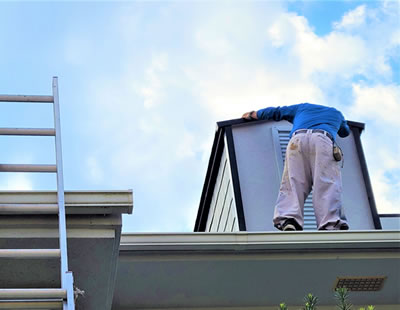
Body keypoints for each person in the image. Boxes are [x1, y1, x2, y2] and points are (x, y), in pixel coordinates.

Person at [242, 103, 350, 231]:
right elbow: (345, 132)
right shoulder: (336, 113)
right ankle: (330, 224)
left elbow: (277, 112)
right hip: (323, 139)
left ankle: (289, 219)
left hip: (297, 140)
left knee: (293, 181)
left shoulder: (302, 108)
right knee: (326, 183)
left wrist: (253, 114)